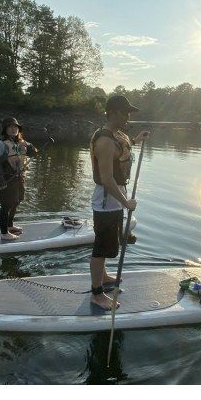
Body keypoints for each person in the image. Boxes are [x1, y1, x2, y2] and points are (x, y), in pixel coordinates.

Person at [89, 95, 149, 310]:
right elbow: (106, 178)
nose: (128, 118)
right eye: (125, 113)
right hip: (107, 201)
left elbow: (124, 147)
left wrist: (137, 139)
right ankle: (96, 294)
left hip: (115, 200)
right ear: (113, 112)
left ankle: (104, 277)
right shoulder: (104, 140)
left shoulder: (118, 135)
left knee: (108, 245)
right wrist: (126, 202)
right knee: (101, 247)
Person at [0, 117, 38, 242]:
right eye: (10, 127)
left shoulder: (21, 143)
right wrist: (1, 182)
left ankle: (10, 225)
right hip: (7, 179)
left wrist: (30, 147)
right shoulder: (1, 144)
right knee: (6, 205)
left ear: (18, 129)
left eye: (15, 127)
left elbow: (34, 153)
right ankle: (4, 233)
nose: (13, 129)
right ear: (5, 129)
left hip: (19, 178)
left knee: (17, 200)